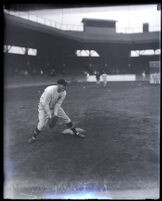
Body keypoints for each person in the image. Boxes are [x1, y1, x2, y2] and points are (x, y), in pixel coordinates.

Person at [28, 79, 85, 144]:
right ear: (58, 85)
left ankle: (76, 133)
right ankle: (33, 138)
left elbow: (58, 104)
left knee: (66, 119)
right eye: (63, 85)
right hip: (43, 108)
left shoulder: (64, 92)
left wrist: (55, 114)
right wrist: (50, 116)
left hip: (54, 106)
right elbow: (45, 104)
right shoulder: (49, 91)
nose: (65, 87)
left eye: (65, 85)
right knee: (41, 124)